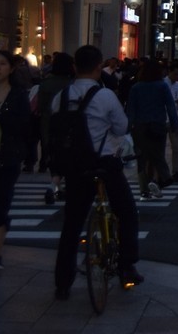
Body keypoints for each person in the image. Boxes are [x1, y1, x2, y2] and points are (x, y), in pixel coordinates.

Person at [53, 44, 143, 298]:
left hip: (73, 166)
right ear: (98, 66)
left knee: (72, 223)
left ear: (74, 67)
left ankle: (62, 282)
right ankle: (127, 266)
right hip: (103, 164)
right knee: (126, 211)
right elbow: (122, 126)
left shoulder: (61, 95)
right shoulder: (104, 96)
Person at [0, 49, 32, 271]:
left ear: (11, 69)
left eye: (2, 64)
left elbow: (23, 126)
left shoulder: (18, 95)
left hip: (6, 156)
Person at [125, 60, 178, 200]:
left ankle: (144, 189)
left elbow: (131, 110)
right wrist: (175, 124)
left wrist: (127, 128)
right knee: (157, 154)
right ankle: (157, 180)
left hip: (139, 126)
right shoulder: (162, 86)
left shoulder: (136, 87)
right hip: (158, 124)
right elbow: (170, 107)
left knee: (142, 158)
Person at [38, 52, 75, 204]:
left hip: (49, 125)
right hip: (70, 126)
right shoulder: (73, 84)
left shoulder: (46, 83)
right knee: (71, 158)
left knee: (54, 156)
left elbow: (41, 107)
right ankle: (62, 186)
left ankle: (54, 185)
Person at [166, 65, 178, 184]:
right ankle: (162, 172)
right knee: (162, 147)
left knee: (177, 147)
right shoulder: (163, 84)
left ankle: (176, 172)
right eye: (175, 74)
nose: (177, 77)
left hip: (174, 118)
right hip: (164, 118)